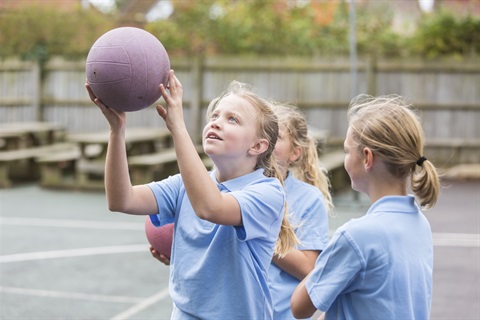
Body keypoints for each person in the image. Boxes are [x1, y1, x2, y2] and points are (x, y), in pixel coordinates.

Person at [86, 70, 298, 319]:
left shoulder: (267, 193)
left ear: (257, 146)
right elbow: (121, 199)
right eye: (215, 115)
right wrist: (116, 131)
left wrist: (177, 128)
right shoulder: (184, 185)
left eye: (233, 119)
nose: (216, 122)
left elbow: (210, 207)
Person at [290, 94, 441, 320]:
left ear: (367, 158)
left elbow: (299, 307)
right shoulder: (420, 224)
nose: (345, 158)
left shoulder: (355, 237)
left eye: (347, 151)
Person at [268, 103, 333, 320]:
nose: (266, 139)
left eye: (275, 136)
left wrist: (261, 233)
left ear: (295, 153)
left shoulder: (308, 199)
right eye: (261, 131)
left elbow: (308, 267)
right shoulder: (235, 189)